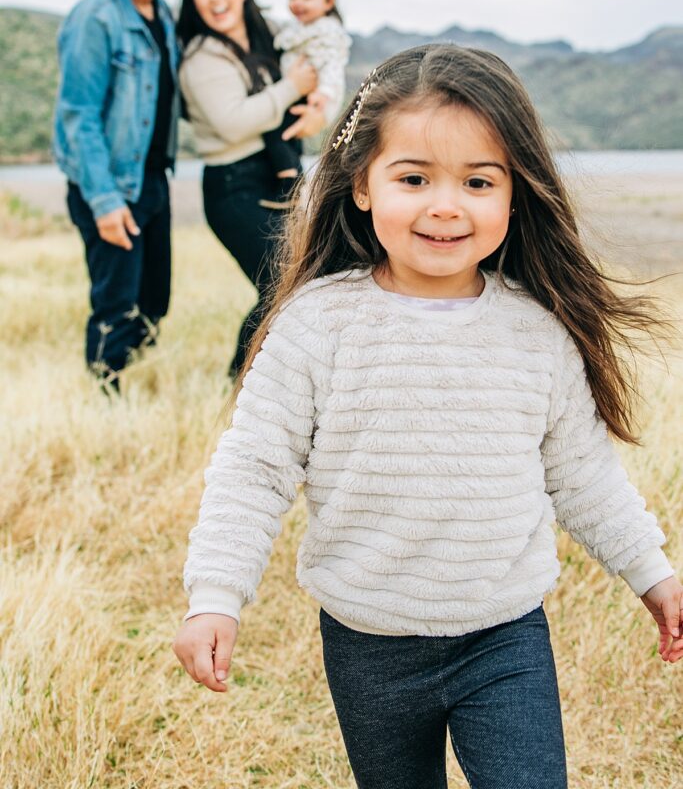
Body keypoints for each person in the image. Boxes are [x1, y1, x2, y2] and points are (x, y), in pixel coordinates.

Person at [173, 44, 683, 789]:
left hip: (503, 638)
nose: (446, 205)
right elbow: (255, 467)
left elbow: (581, 474)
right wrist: (214, 595)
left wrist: (652, 573)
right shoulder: (319, 324)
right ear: (362, 186)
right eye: (413, 178)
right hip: (367, 642)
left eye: (478, 181)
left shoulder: (534, 332)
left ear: (513, 196)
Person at [176, 0, 324, 376]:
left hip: (278, 173)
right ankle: (240, 379)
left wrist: (316, 103)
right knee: (280, 285)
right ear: (193, 2)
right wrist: (292, 86)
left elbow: (315, 69)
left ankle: (270, 382)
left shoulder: (269, 37)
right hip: (233, 185)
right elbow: (233, 123)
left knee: (299, 281)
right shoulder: (201, 58)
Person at [54, 0, 179, 392]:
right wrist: (104, 202)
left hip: (152, 181)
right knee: (116, 305)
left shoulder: (162, 13)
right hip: (109, 185)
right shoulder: (96, 18)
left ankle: (134, 383)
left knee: (153, 303)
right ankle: (106, 399)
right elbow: (78, 117)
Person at [262, 0, 352, 208]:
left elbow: (332, 67)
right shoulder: (298, 29)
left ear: (328, 1)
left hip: (309, 95)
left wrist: (322, 94)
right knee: (286, 140)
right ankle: (293, 185)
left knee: (278, 134)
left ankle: (290, 184)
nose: (297, 3)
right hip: (294, 91)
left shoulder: (328, 33)